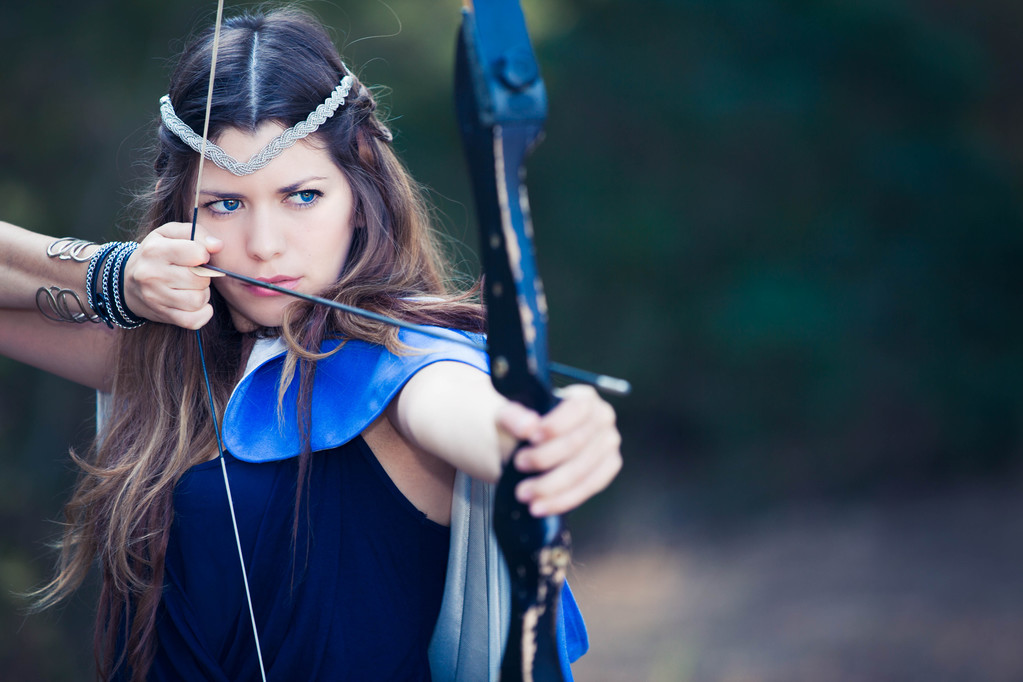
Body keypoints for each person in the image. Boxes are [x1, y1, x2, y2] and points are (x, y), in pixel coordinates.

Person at [0, 7, 621, 682]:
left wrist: (539, 435)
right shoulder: (165, 358)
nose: (264, 246)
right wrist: (112, 276)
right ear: (181, 209)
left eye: (301, 195)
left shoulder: (406, 365)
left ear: (360, 186)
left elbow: (470, 413)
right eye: (224, 204)